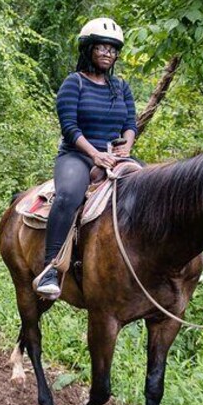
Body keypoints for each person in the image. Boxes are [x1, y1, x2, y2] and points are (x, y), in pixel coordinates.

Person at [35, 17, 137, 298]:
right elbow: (69, 128)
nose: (108, 53)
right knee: (68, 195)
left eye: (113, 49)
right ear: (88, 49)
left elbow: (130, 123)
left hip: (116, 157)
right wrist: (95, 156)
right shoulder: (74, 83)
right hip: (77, 155)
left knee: (150, 189)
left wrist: (125, 148)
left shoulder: (122, 87)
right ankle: (51, 267)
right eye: (102, 47)